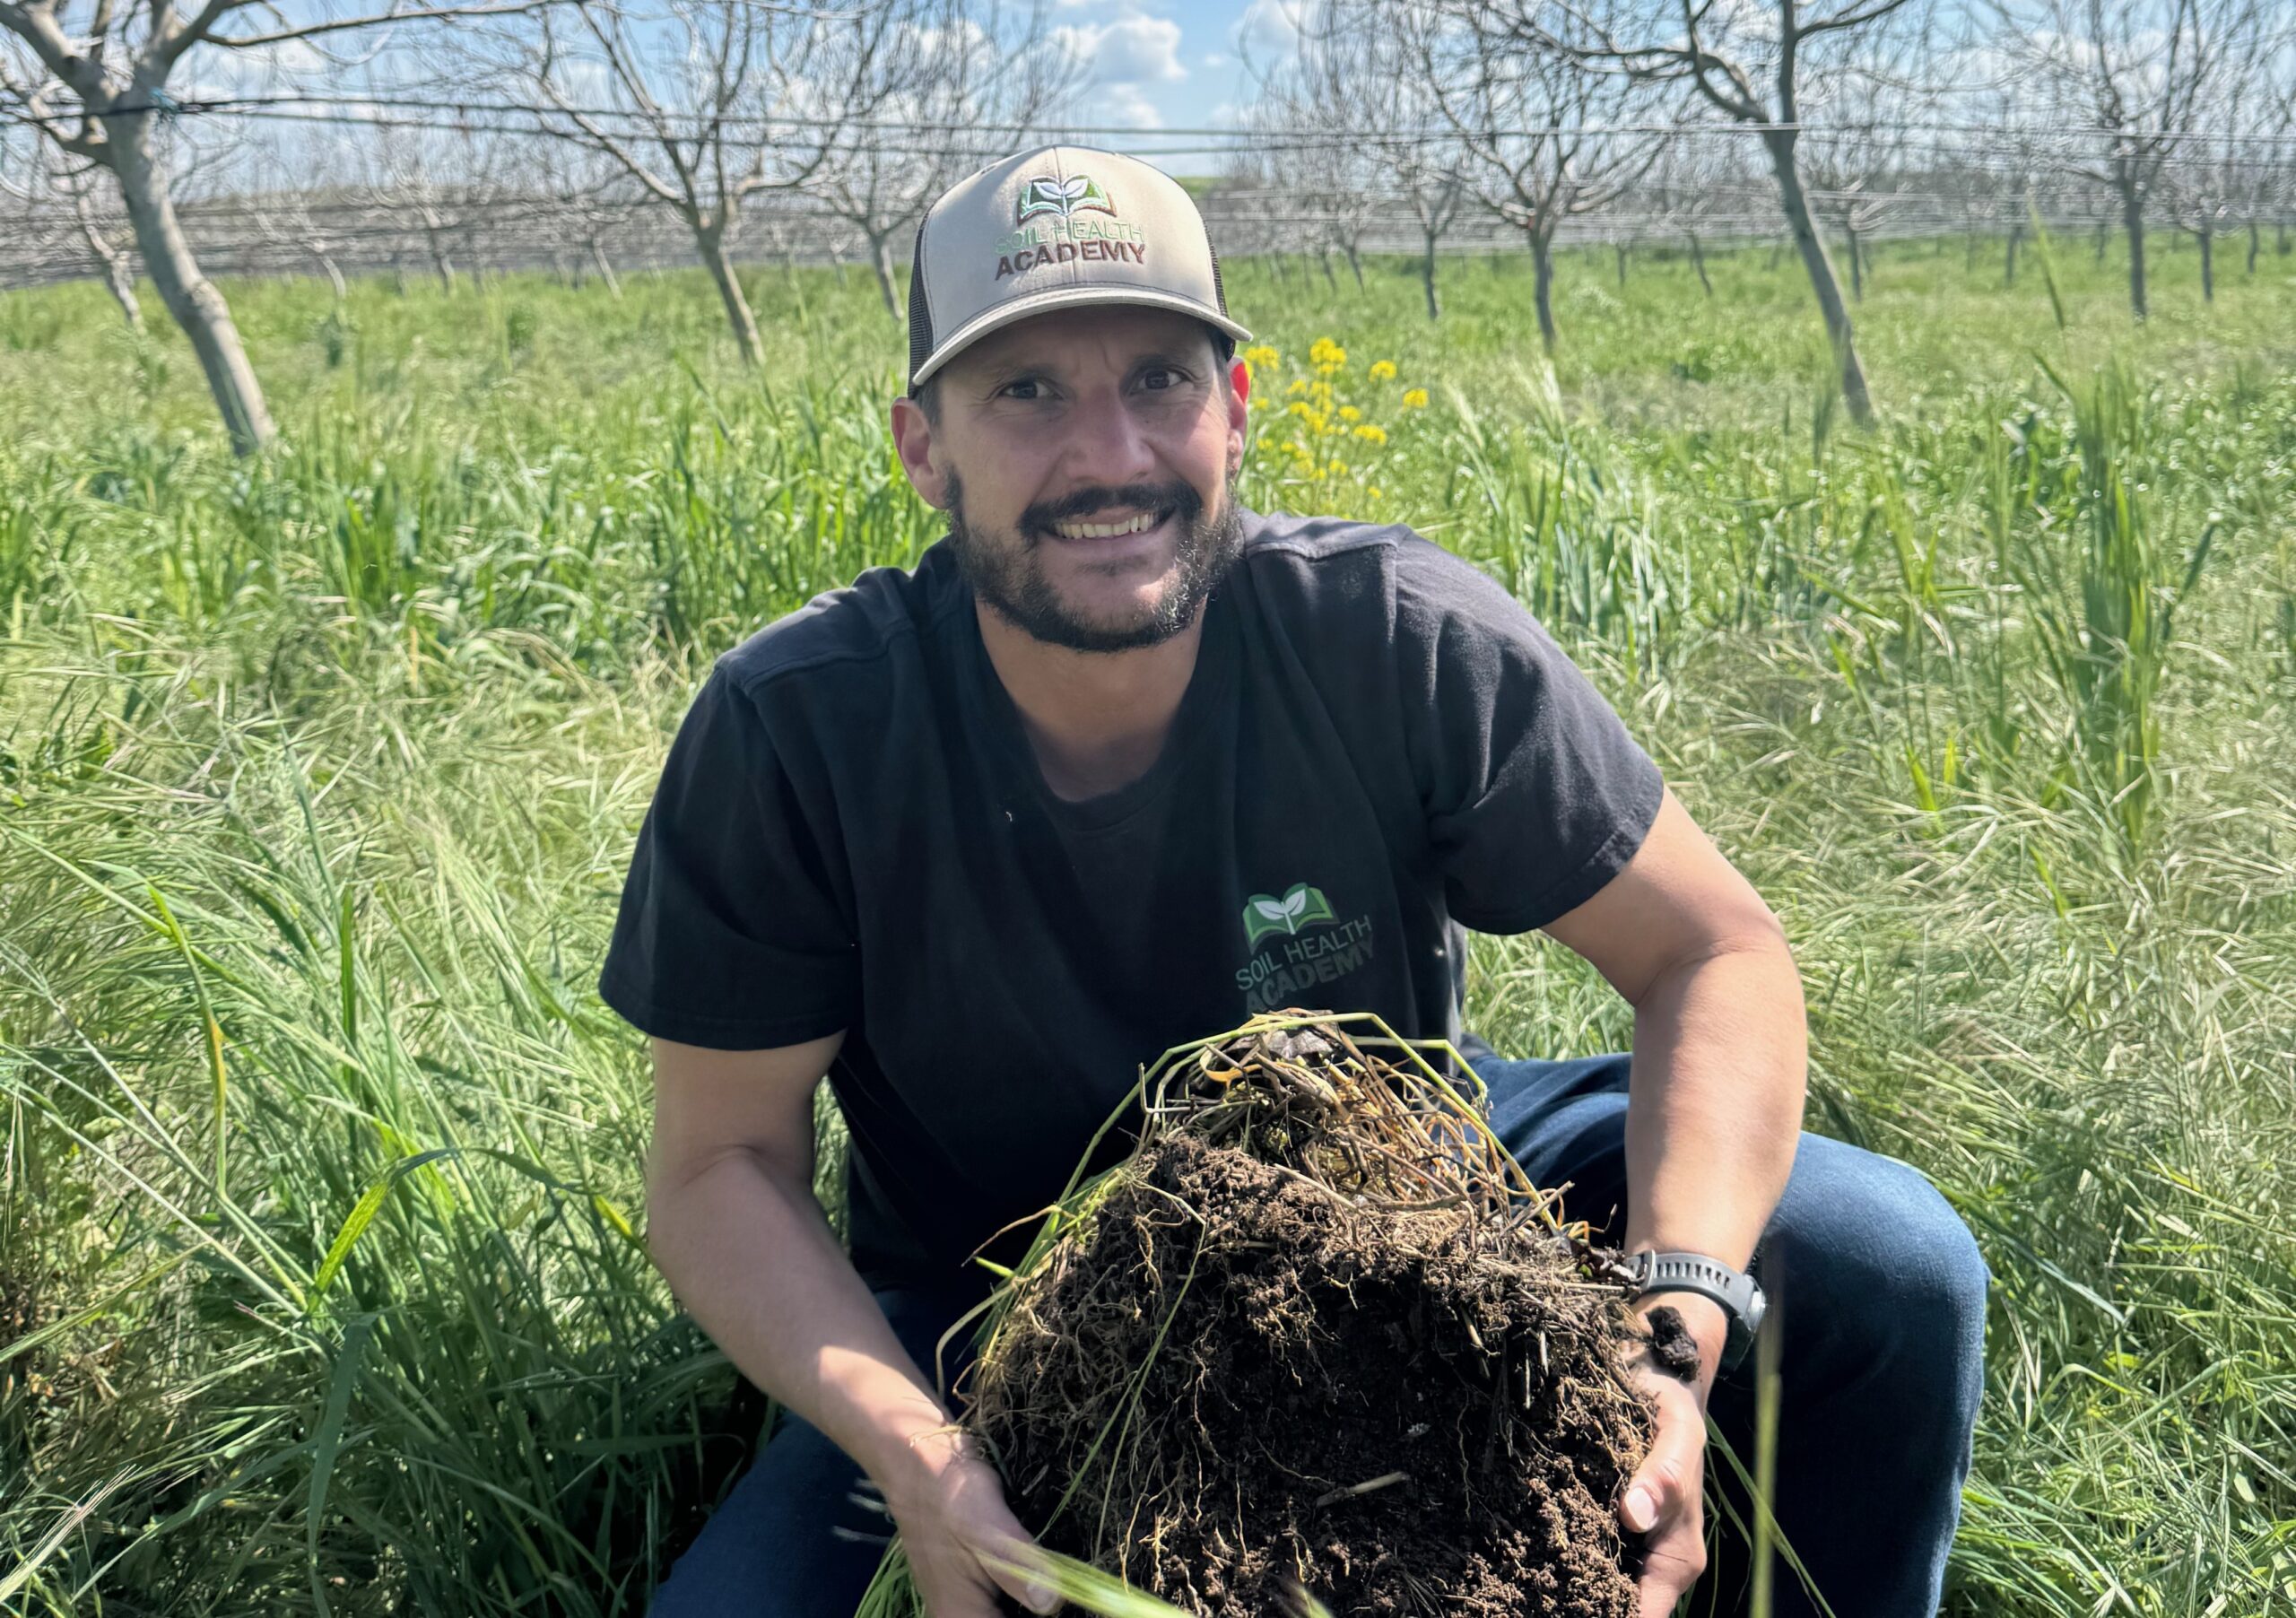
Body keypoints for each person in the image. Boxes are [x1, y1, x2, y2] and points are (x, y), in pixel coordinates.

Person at [600, 145, 1987, 1618]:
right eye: (1028, 392)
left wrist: (1670, 1334)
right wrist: (923, 1458)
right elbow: (718, 1166)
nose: (1112, 455)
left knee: (1887, 1261)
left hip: (1405, 1203)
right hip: (985, 1297)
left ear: (1238, 412)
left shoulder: (1388, 638)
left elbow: (1714, 956)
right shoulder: (800, 727)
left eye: (1159, 380)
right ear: (922, 447)